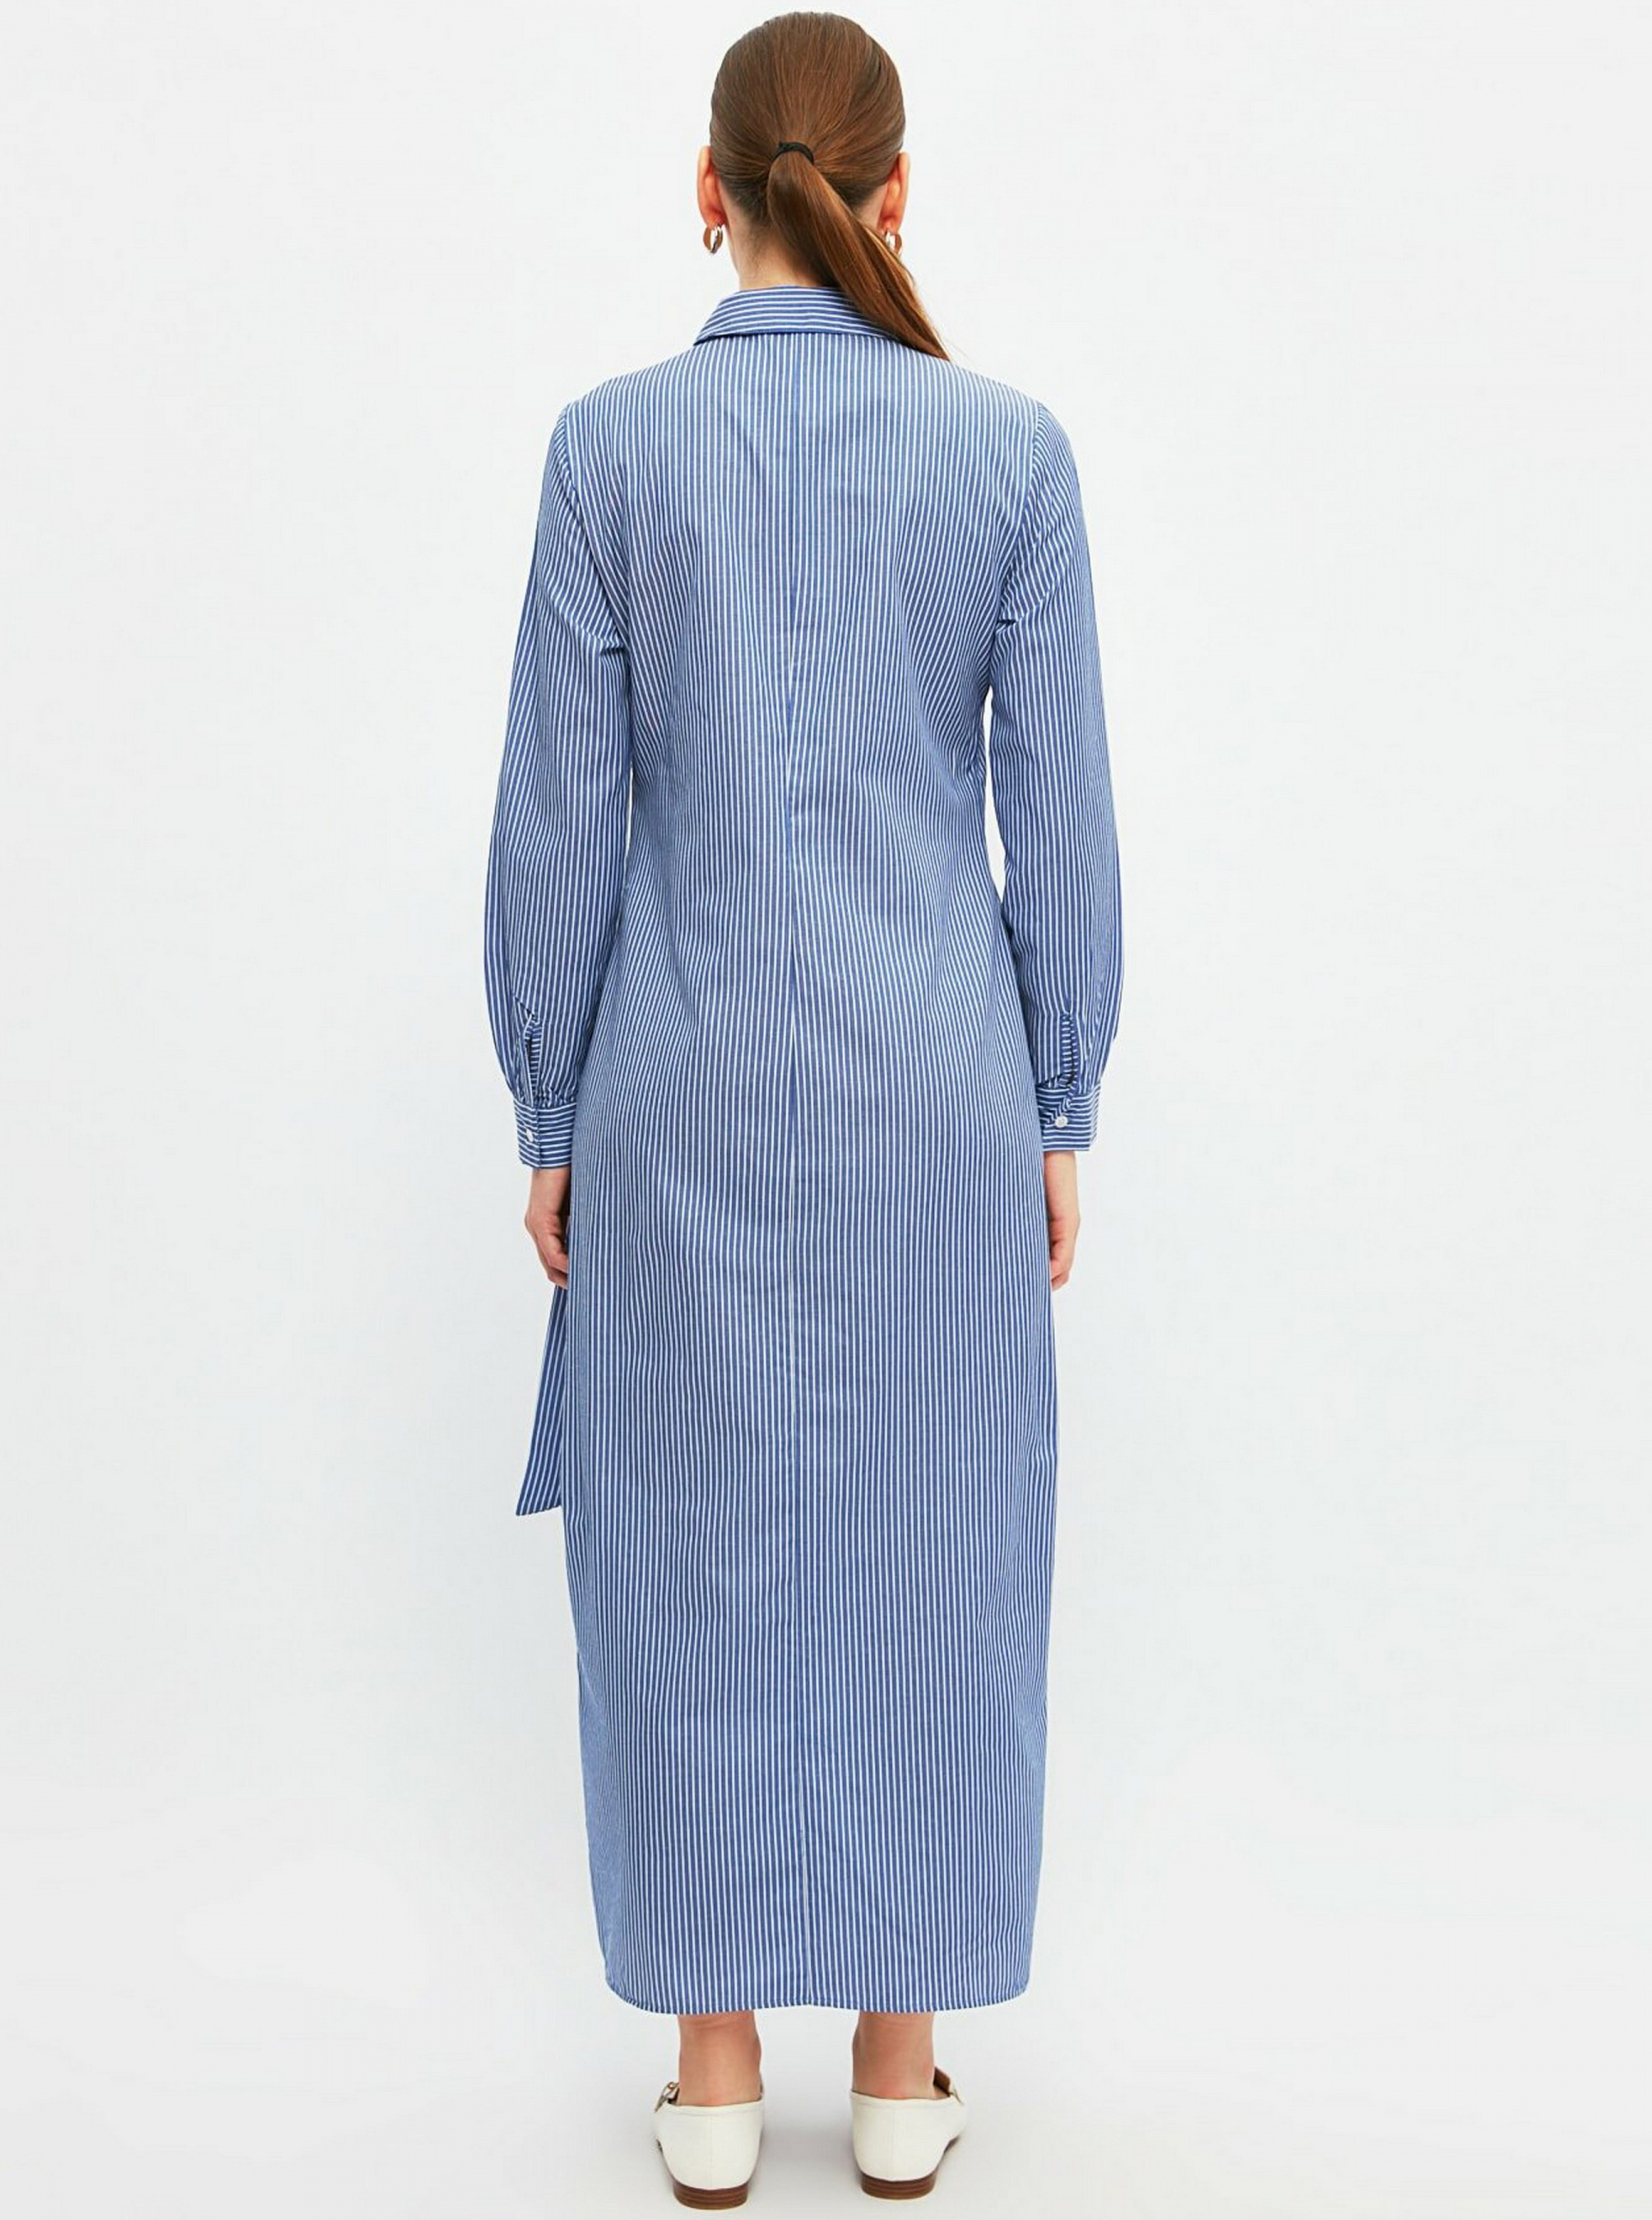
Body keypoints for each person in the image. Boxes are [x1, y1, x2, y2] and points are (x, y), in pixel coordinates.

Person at [484, 11, 1122, 2204]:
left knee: (685, 1544)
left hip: (670, 1081)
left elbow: (558, 817)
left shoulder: (607, 450)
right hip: (937, 1083)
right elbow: (1060, 817)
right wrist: (1057, 1094)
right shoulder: (1008, 452)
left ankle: (714, 2070)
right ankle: (905, 2070)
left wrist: (547, 1101)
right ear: (895, 194)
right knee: (937, 1531)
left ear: (705, 188)